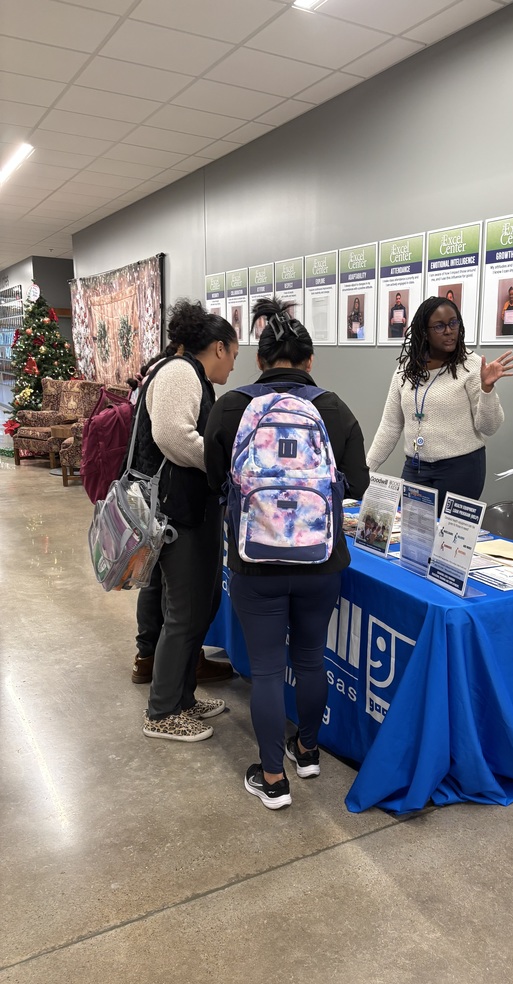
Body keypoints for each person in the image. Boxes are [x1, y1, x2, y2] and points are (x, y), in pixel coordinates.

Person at [204, 298, 369, 810]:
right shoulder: (334, 407)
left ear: (260, 360)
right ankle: (309, 751)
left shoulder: (232, 406)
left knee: (270, 669)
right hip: (321, 559)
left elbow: (215, 480)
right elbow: (358, 484)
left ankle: (273, 779)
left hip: (256, 560)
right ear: (310, 360)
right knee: (311, 657)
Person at [134, 300, 239, 742]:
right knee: (185, 611)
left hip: (188, 509)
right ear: (217, 347)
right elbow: (174, 436)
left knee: (198, 606)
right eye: (233, 355)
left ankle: (183, 698)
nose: (234, 366)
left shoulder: (185, 372)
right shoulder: (179, 372)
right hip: (179, 512)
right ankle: (162, 713)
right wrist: (226, 464)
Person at [366, 295, 513, 512]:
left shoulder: (472, 365)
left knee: (450, 540)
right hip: (415, 467)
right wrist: (367, 469)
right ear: (424, 332)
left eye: (453, 323)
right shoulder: (406, 369)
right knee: (412, 535)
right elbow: (390, 425)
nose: (449, 331)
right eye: (439, 326)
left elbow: (489, 427)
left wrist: (487, 389)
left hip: (461, 469)